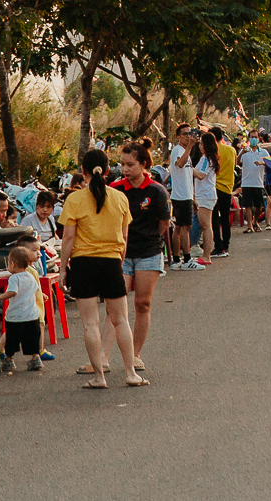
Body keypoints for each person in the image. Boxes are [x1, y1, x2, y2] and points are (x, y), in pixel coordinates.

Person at [60, 147, 132, 390]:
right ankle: (131, 373)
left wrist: (62, 270)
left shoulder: (74, 199)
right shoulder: (120, 197)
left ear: (83, 171)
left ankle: (99, 377)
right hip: (111, 261)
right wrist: (119, 261)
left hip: (83, 263)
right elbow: (124, 237)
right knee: (121, 320)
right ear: (108, 170)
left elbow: (68, 238)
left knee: (91, 324)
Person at [111, 140, 168, 385]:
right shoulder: (115, 189)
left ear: (143, 165)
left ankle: (135, 354)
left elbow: (164, 222)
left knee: (142, 304)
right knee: (116, 302)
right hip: (120, 253)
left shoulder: (156, 190)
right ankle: (107, 355)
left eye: (130, 165)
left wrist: (151, 239)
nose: (125, 169)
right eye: (122, 164)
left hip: (149, 252)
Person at [0, 243, 45, 374]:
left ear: (12, 264)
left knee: (12, 339)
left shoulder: (14, 278)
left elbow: (12, 292)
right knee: (32, 338)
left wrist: (0, 297)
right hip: (32, 315)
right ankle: (36, 358)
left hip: (16, 316)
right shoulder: (30, 276)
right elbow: (36, 289)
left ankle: (9, 359)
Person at [166, 127, 196, 264]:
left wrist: (193, 196)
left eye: (190, 134)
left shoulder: (185, 151)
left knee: (179, 227)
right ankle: (187, 259)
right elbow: (180, 164)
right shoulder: (178, 150)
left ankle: (177, 259)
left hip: (186, 194)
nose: (188, 136)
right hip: (182, 196)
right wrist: (190, 146)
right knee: (185, 227)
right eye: (185, 134)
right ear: (178, 136)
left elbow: (188, 175)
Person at [211, 126, 237, 258]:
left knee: (214, 218)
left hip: (214, 187)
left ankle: (218, 245)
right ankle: (226, 244)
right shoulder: (232, 150)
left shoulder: (213, 150)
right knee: (226, 217)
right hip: (228, 188)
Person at [239, 134, 270, 234]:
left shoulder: (263, 152)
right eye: (252, 137)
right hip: (246, 182)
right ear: (248, 139)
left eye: (255, 137)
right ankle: (249, 226)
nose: (254, 139)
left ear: (258, 139)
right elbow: (236, 161)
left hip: (258, 182)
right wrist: (241, 152)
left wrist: (262, 163)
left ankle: (255, 221)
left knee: (259, 206)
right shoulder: (245, 152)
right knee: (247, 205)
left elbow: (270, 163)